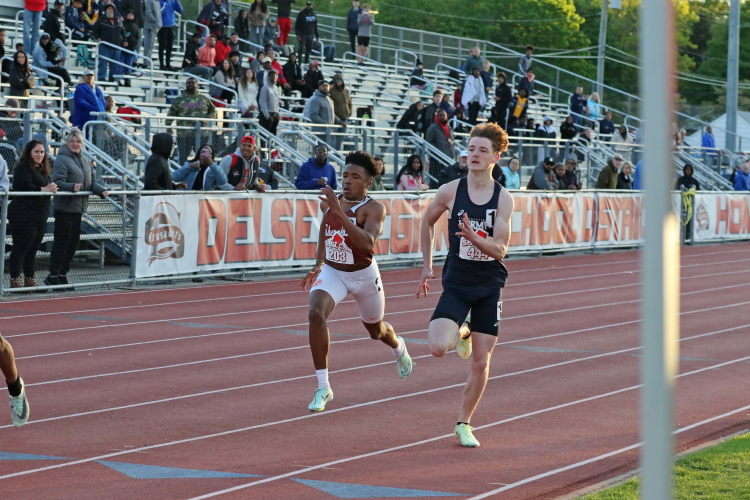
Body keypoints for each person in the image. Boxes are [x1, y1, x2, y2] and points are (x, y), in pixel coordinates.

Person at [416, 123, 513, 448]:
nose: (474, 154)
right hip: (457, 282)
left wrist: (474, 237)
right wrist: (427, 264)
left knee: (481, 362)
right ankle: (465, 331)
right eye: (471, 148)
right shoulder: (450, 191)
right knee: (437, 347)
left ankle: (464, 423)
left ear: (495, 157)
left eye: (482, 150)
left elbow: (500, 250)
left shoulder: (503, 198)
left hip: (489, 285)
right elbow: (427, 222)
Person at [299, 150, 413, 412]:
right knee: (316, 313)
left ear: (367, 183)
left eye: (355, 177)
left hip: (363, 276)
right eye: (345, 175)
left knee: (376, 332)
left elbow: (367, 244)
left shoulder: (374, 208)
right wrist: (318, 263)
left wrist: (340, 212)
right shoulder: (330, 203)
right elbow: (325, 228)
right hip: (334, 272)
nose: (347, 181)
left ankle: (398, 347)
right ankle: (323, 387)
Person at [46, 128, 108, 287]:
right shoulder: (62, 159)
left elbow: (91, 183)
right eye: (72, 141)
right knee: (62, 243)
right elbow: (57, 182)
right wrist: (71, 187)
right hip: (64, 208)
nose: (75, 144)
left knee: (72, 244)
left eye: (78, 141)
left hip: (78, 208)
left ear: (82, 144)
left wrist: (101, 191)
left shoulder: (86, 160)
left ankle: (62, 274)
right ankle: (53, 275)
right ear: (67, 143)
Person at [8, 140, 57, 290]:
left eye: (42, 152)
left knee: (33, 248)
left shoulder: (42, 169)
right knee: (21, 247)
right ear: (29, 152)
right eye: (36, 151)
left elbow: (45, 187)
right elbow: (21, 186)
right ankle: (15, 279)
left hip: (39, 215)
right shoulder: (23, 167)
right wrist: (44, 189)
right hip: (23, 214)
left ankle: (30, 278)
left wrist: (52, 188)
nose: (39, 155)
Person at [166, 77, 217, 165]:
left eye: (193, 83)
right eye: (188, 83)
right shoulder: (179, 99)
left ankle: (201, 171)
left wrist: (210, 116)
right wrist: (168, 126)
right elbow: (171, 114)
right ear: (186, 85)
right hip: (184, 134)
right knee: (183, 157)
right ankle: (183, 171)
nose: (190, 84)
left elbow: (213, 110)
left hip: (201, 133)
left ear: (197, 85)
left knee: (202, 156)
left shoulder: (204, 98)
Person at [94, 5, 126, 81]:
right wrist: (97, 37)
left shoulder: (119, 20)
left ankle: (112, 80)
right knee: (103, 64)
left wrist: (125, 40)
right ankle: (101, 79)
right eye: (108, 8)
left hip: (117, 46)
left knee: (115, 65)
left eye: (112, 8)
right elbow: (95, 30)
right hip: (104, 46)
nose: (110, 10)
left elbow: (123, 31)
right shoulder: (101, 19)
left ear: (114, 10)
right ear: (106, 10)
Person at [158, 0, 182, 70]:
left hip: (170, 26)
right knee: (162, 45)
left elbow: (180, 10)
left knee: (170, 46)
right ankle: (161, 64)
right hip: (162, 26)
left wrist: (176, 1)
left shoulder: (172, 2)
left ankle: (168, 64)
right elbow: (160, 12)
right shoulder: (160, 2)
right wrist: (165, 4)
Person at [258, 70, 280, 135]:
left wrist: (277, 113)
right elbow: (262, 102)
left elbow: (277, 101)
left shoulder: (276, 88)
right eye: (271, 76)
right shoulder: (265, 88)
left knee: (273, 135)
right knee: (265, 135)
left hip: (275, 114)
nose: (273, 78)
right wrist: (267, 115)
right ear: (268, 77)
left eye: (274, 76)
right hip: (267, 115)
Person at [142, 0, 161, 67]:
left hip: (155, 27)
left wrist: (158, 23)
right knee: (147, 45)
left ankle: (148, 62)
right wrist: (154, 20)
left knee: (151, 45)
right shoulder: (149, 1)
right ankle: (145, 63)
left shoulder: (157, 2)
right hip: (150, 27)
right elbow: (148, 13)